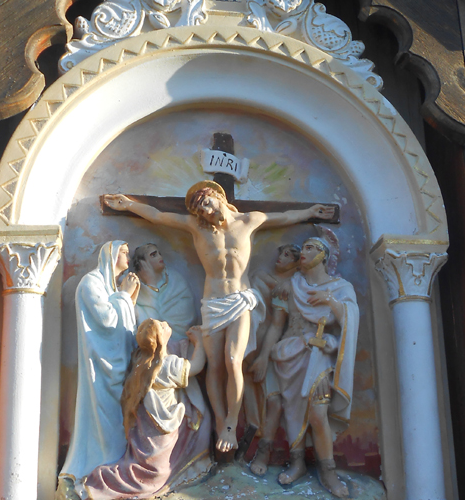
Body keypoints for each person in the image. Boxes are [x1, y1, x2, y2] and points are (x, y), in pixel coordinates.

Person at [103, 182, 334, 454]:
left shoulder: (249, 221)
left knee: (233, 360)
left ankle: (231, 424)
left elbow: (283, 217)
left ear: (218, 197)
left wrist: (310, 211)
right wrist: (128, 204)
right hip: (212, 303)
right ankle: (221, 422)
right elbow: (158, 215)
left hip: (239, 299)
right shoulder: (196, 227)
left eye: (207, 204)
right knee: (215, 367)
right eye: (200, 209)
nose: (205, 211)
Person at [250, 232, 359, 498]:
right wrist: (264, 356)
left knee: (317, 415)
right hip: (287, 354)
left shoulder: (340, 288)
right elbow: (277, 325)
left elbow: (351, 322)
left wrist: (331, 302)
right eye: (304, 248)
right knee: (288, 410)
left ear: (323, 255)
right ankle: (297, 463)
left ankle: (328, 471)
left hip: (317, 357)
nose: (303, 253)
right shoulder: (290, 285)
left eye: (310, 248)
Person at [84, 320, 211, 500]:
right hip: (162, 428)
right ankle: (105, 481)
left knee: (147, 461)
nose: (166, 324)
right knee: (158, 470)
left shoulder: (139, 361)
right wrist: (199, 342)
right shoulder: (168, 365)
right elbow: (196, 365)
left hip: (145, 426)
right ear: (160, 338)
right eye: (162, 326)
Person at [60, 240, 140, 482]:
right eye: (124, 252)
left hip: (116, 366)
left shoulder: (109, 286)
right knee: (106, 416)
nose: (128, 257)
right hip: (101, 369)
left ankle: (117, 464)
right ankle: (100, 465)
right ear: (111, 255)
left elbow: (124, 323)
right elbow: (107, 321)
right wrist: (125, 296)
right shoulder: (91, 282)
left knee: (120, 415)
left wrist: (128, 298)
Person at [245, 243, 301, 476]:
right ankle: (247, 441)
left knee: (276, 401)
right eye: (282, 252)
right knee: (248, 391)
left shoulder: (295, 286)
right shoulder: (260, 276)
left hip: (279, 349)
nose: (282, 257)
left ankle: (265, 451)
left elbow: (280, 324)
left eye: (289, 255)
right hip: (252, 342)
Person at [132, 242, 196, 342]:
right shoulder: (136, 285)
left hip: (179, 339)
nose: (159, 257)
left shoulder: (175, 278)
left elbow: (185, 310)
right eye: (153, 255)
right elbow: (147, 322)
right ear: (143, 263)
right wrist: (150, 283)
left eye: (159, 253)